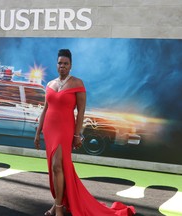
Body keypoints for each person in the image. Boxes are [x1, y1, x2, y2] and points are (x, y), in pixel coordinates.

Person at [34, 49, 135, 216]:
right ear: (56, 64)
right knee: (57, 169)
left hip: (65, 129)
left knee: (58, 166)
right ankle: (57, 205)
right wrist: (38, 132)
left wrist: (77, 134)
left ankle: (58, 209)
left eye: (66, 64)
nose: (62, 66)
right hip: (49, 130)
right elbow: (45, 109)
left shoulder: (77, 84)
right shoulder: (50, 84)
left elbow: (81, 112)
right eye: (60, 63)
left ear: (71, 65)